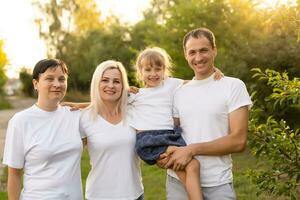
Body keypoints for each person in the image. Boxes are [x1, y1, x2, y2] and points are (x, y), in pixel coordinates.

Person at [158, 27, 252, 200]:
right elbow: (165, 131)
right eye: (192, 52)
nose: (198, 57)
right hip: (179, 180)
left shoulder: (233, 86)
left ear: (214, 50)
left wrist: (191, 150)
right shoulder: (179, 91)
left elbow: (239, 141)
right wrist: (161, 155)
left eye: (204, 50)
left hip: (218, 183)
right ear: (185, 55)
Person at [128, 47, 222, 200]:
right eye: (148, 70)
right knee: (193, 166)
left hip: (169, 137)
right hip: (150, 140)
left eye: (158, 69)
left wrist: (213, 71)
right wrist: (79, 106)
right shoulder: (136, 95)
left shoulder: (170, 84)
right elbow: (104, 103)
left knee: (187, 169)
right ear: (140, 72)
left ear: (165, 70)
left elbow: (196, 82)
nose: (153, 74)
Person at [2, 59, 83, 200]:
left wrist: (123, 94)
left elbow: (103, 108)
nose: (57, 84)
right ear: (35, 84)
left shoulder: (74, 115)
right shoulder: (20, 121)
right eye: (49, 79)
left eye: (62, 79)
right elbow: (14, 174)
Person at [79, 60, 144, 200]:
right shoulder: (84, 118)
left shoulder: (135, 112)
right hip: (99, 195)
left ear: (123, 86)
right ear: (97, 83)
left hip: (134, 194)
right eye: (105, 80)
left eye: (116, 81)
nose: (111, 85)